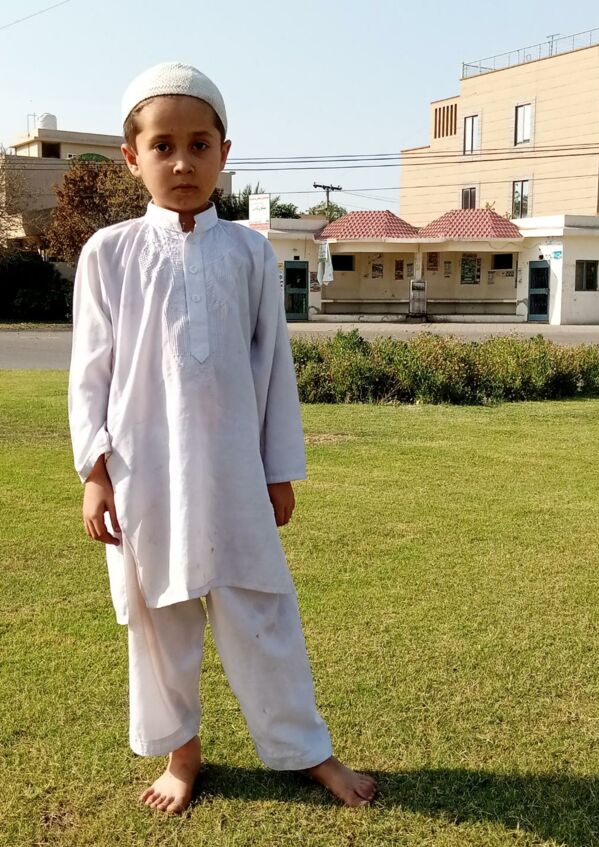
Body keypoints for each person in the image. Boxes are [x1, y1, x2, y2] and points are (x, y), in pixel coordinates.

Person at [68, 62, 377, 814]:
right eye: (163, 146)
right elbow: (91, 371)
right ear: (131, 157)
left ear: (224, 152)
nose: (182, 162)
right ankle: (182, 754)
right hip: (145, 475)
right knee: (158, 617)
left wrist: (278, 470)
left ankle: (307, 750)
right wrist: (96, 472)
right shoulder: (107, 253)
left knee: (261, 611)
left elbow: (273, 369)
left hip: (235, 472)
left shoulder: (250, 254)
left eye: (198, 145)